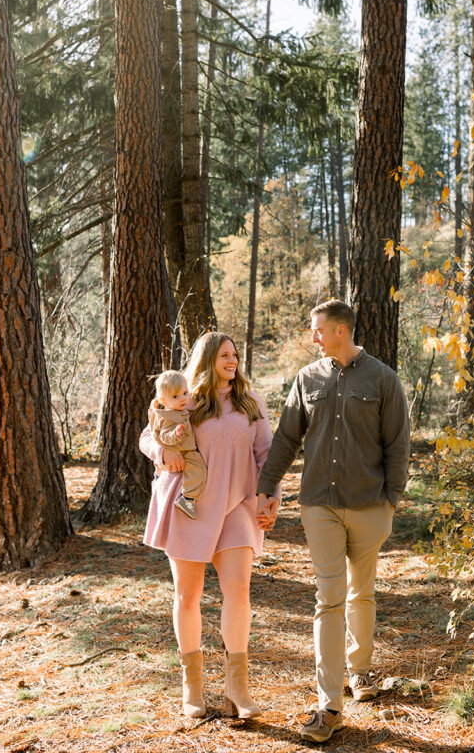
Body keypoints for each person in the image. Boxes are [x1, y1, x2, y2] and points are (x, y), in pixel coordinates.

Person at [256, 299, 410, 743]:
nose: (313, 338)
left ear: (340, 330)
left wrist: (391, 503)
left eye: (317, 330)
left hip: (369, 505)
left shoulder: (383, 379)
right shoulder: (308, 379)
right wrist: (267, 487)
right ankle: (329, 705)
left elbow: (397, 445)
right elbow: (287, 438)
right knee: (329, 598)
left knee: (362, 591)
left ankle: (360, 673)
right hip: (319, 503)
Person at [139, 332, 279, 720]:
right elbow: (148, 435)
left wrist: (272, 498)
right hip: (191, 506)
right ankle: (193, 687)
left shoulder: (251, 404)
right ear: (207, 359)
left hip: (238, 506)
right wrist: (162, 451)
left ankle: (238, 689)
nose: (232, 361)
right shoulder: (187, 400)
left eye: (235, 355)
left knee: (239, 592)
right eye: (224, 355)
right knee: (188, 595)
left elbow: (266, 455)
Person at [149, 370, 207, 519]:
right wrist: (175, 435)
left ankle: (188, 497)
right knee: (198, 470)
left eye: (185, 393)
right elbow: (163, 436)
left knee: (198, 469)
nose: (183, 399)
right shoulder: (168, 417)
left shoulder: (179, 410)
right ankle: (187, 498)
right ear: (164, 401)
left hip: (185, 449)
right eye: (176, 396)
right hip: (182, 451)